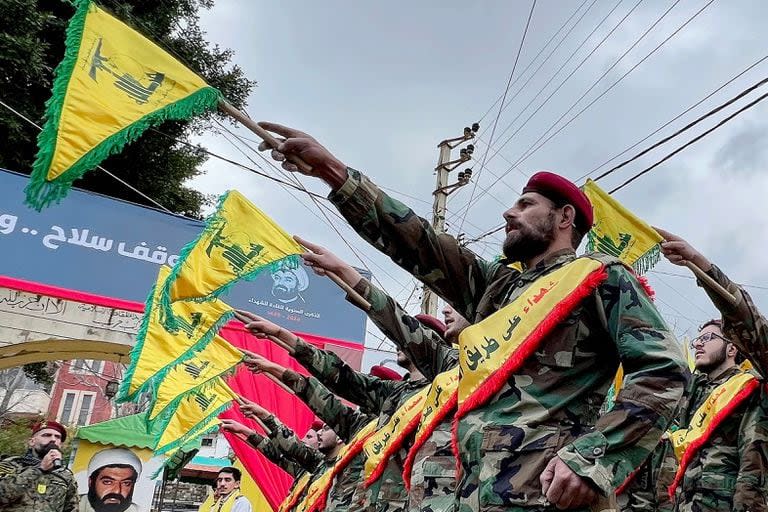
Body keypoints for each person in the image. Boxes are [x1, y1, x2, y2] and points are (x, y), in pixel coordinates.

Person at [255, 122, 689, 511]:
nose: (508, 212)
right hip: (470, 492)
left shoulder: (599, 277)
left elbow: (665, 371)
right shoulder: (499, 288)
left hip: (542, 492)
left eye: (526, 204)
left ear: (564, 217)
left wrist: (592, 459)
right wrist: (333, 171)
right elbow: (420, 243)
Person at [290, 236, 469, 512]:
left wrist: (345, 273)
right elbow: (343, 380)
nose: (446, 309)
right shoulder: (394, 394)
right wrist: (288, 342)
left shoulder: (463, 374)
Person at [623, 229, 768, 512]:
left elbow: (751, 326)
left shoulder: (750, 388)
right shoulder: (687, 395)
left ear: (732, 348)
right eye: (697, 339)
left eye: (708, 338)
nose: (698, 344)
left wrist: (700, 265)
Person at [0, 420, 78, 512]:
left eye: (57, 437)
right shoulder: (12, 464)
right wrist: (39, 469)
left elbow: (72, 508)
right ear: (32, 442)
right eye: (47, 435)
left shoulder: (65, 474)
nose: (53, 439)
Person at [78, 448, 142, 512]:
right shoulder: (74, 505)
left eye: (126, 483)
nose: (117, 491)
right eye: (107, 482)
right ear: (91, 482)